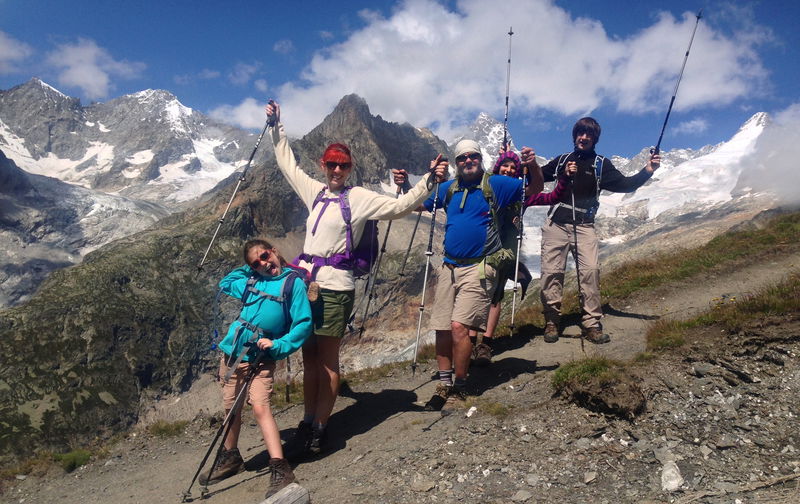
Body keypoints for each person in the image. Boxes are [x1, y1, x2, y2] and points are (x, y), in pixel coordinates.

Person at [264, 101, 447, 459]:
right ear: (323, 164)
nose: (336, 169)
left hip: (336, 287)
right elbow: (287, 163)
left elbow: (398, 207)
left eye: (342, 165)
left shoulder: (359, 198)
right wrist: (276, 126)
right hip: (307, 284)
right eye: (331, 163)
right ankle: (308, 418)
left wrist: (429, 181)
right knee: (309, 357)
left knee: (328, 360)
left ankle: (319, 425)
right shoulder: (314, 191)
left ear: (349, 168)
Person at [395, 139, 550, 414]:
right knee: (442, 328)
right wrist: (407, 184)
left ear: (480, 158)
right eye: (463, 158)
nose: (468, 161)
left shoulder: (496, 184)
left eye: (473, 156)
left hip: (479, 267)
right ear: (457, 163)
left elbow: (534, 190)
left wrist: (532, 166)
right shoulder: (449, 188)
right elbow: (418, 204)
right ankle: (444, 385)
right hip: (448, 267)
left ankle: (461, 384)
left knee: (458, 328)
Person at [530, 117, 660, 344]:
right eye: (581, 133)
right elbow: (535, 178)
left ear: (595, 139)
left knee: (590, 271)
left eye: (589, 135)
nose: (584, 137)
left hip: (584, 225)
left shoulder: (601, 164)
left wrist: (648, 170)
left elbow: (626, 184)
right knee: (551, 273)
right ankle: (552, 321)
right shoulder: (561, 161)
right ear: (575, 136)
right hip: (556, 225)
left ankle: (591, 323)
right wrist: (522, 163)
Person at [200, 239, 312, 498]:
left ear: (274, 251)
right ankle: (230, 457)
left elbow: (303, 324)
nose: (263, 263)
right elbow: (226, 282)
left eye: (264, 256)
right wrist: (250, 270)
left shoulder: (292, 283)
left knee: (260, 406)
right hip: (232, 353)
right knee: (230, 407)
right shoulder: (252, 281)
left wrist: (278, 344)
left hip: (262, 355)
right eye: (256, 262)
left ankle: (280, 467)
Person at [469, 150, 575, 365]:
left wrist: (564, 178)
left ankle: (485, 344)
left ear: (518, 174)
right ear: (497, 168)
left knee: (495, 296)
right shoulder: (484, 189)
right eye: (504, 166)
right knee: (478, 295)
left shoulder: (521, 196)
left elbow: (553, 197)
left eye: (513, 168)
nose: (508, 170)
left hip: (505, 252)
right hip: (481, 248)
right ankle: (469, 343)